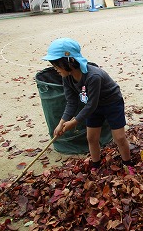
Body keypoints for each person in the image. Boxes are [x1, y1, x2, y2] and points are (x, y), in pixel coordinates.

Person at [42, 38, 135, 174]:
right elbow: (72, 102)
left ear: (69, 61)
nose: (55, 69)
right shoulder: (66, 77)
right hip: (92, 107)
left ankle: (128, 163)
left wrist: (73, 122)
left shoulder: (93, 76)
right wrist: (61, 123)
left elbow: (92, 104)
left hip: (112, 104)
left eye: (56, 65)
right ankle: (96, 165)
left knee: (119, 137)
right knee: (91, 138)